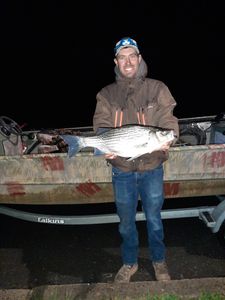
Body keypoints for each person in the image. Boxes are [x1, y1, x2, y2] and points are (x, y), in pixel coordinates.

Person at [93, 37, 179, 283]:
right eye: (123, 57)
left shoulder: (157, 88)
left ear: (140, 59)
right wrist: (104, 148)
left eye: (132, 56)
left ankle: (159, 261)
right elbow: (101, 127)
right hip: (121, 169)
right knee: (126, 223)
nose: (128, 61)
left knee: (154, 219)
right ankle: (129, 263)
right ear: (116, 62)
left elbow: (169, 122)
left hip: (152, 168)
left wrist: (167, 139)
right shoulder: (106, 94)